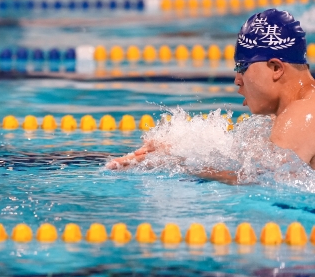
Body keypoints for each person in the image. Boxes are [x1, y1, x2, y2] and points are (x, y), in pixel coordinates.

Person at [106, 9, 315, 184]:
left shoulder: (301, 114)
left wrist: (176, 163)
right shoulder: (295, 112)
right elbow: (247, 164)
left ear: (276, 68)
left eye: (242, 67)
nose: (237, 80)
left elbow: (262, 181)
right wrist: (176, 148)